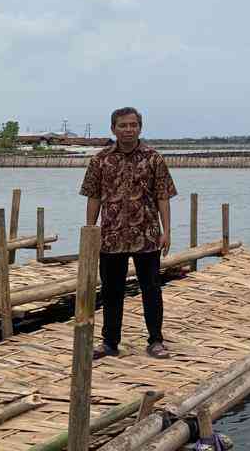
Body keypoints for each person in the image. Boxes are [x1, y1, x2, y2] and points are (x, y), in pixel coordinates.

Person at [80, 107, 177, 359]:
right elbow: (93, 197)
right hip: (110, 238)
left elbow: (163, 196)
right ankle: (110, 342)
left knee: (151, 289)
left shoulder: (153, 158)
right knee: (111, 291)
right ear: (113, 128)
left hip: (147, 236)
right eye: (122, 125)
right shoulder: (100, 160)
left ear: (140, 128)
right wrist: (90, 232)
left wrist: (167, 231)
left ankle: (156, 341)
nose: (128, 129)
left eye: (133, 125)